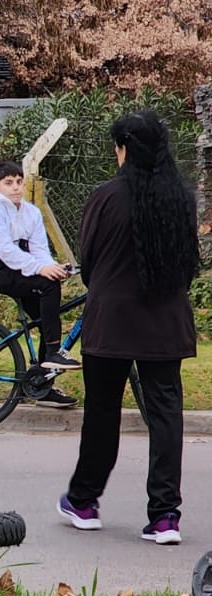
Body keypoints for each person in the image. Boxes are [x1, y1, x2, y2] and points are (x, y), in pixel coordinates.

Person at [57, 110, 199, 546]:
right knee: (165, 415)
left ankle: (84, 499)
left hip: (111, 320)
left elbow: (91, 261)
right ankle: (165, 515)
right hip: (165, 323)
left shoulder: (106, 197)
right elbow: (189, 263)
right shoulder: (181, 199)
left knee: (102, 412)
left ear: (123, 150)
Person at [0, 160, 79, 408]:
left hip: (19, 267)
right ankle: (54, 352)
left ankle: (44, 384)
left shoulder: (31, 212)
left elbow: (39, 250)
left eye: (19, 182)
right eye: (8, 183)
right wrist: (40, 269)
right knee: (48, 287)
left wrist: (51, 267)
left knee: (48, 315)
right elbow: (6, 252)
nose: (15, 187)